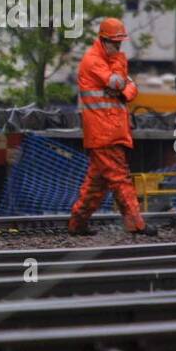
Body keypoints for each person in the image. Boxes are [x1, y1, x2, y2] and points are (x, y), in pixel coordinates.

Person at [67, 18, 157, 236]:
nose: (118, 48)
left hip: (110, 131)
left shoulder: (109, 61)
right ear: (103, 40)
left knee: (95, 185)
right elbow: (118, 82)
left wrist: (122, 89)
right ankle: (136, 223)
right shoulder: (93, 61)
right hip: (104, 131)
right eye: (115, 44)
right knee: (120, 178)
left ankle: (77, 225)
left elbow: (131, 89)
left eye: (120, 44)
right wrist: (120, 81)